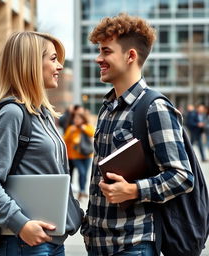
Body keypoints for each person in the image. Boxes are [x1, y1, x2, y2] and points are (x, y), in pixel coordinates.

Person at [81, 13, 194, 256]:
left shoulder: (155, 107)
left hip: (133, 244)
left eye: (106, 51)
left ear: (131, 56)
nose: (98, 58)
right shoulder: (107, 108)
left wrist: (133, 190)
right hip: (99, 244)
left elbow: (182, 176)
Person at [0, 31, 83, 256]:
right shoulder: (11, 114)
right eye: (53, 59)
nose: (60, 66)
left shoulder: (42, 114)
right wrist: (21, 224)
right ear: (31, 64)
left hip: (51, 240)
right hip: (25, 243)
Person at [63, 111, 95, 200]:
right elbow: (64, 139)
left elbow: (93, 133)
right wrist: (71, 133)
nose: (76, 120)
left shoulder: (87, 127)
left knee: (85, 174)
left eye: (78, 118)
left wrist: (84, 128)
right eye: (75, 118)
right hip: (76, 155)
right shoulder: (72, 128)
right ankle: (82, 190)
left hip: (87, 155)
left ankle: (82, 191)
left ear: (83, 119)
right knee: (82, 172)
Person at [59, 104, 85, 180]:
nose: (81, 112)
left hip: (80, 150)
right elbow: (65, 137)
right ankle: (70, 185)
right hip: (70, 150)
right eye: (79, 110)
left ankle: (79, 188)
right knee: (70, 169)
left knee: (81, 172)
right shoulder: (69, 119)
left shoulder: (82, 121)